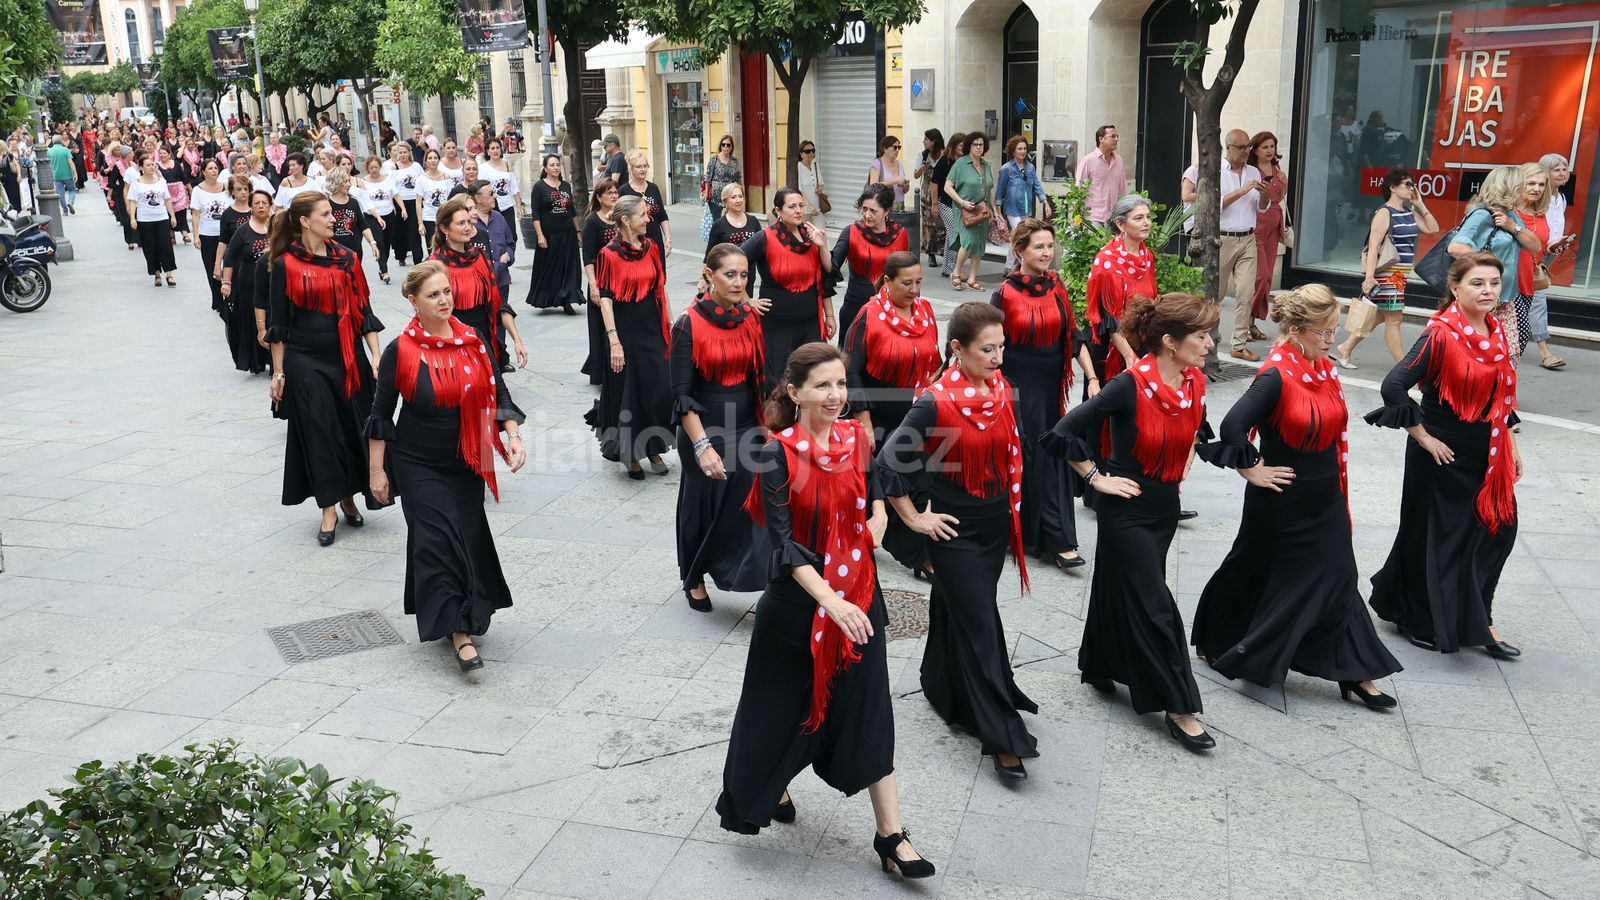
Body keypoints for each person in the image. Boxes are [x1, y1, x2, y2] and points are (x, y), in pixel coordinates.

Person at [716, 342, 935, 882]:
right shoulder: (776, 454)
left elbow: (873, 484)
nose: (836, 395)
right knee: (776, 716)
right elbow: (785, 547)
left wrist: (879, 517)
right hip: (798, 610)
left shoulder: (856, 438)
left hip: (860, 600)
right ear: (795, 392)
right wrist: (830, 601)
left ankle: (891, 835)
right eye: (822, 385)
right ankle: (772, 783)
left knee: (870, 710)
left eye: (840, 384)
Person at [1192, 285, 1402, 706]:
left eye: (1334, 329)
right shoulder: (1275, 375)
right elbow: (1233, 427)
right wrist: (1253, 469)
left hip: (1326, 495)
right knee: (1252, 568)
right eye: (1323, 331)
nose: (1331, 339)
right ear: (1294, 330)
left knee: (1340, 577)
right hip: (1282, 499)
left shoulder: (1323, 368)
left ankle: (1354, 671)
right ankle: (1218, 637)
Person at [1044, 292, 1219, 751]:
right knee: (1155, 603)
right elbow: (1063, 431)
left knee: (1118, 585)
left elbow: (1197, 428)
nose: (1210, 344)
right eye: (1201, 336)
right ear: (1170, 341)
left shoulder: (1193, 382)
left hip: (1163, 510)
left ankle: (1099, 663)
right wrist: (1096, 478)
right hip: (1126, 511)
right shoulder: (1128, 385)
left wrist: (1184, 464)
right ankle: (1179, 705)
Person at [878, 302, 1037, 780]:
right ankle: (1002, 736)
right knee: (981, 624)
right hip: (954, 534)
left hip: (993, 527)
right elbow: (887, 463)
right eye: (987, 349)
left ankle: (943, 686)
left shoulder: (1000, 391)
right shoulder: (934, 403)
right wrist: (915, 519)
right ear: (957, 349)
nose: (998, 358)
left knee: (962, 612)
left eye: (1001, 347)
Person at [367, 261, 527, 673]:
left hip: (466, 458)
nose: (444, 300)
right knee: (438, 540)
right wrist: (377, 471)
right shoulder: (401, 350)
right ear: (413, 301)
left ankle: (466, 608)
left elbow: (498, 390)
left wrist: (512, 435)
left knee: (467, 536)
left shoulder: (473, 340)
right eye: (433, 294)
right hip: (417, 462)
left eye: (446, 291)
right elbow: (381, 413)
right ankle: (459, 632)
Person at [1364, 253, 1523, 659]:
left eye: (1493, 283)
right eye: (1477, 283)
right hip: (1441, 456)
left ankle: (1480, 618)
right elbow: (1393, 387)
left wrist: (1511, 445)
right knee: (1434, 539)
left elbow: (1502, 397)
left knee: (1498, 533)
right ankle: (1417, 618)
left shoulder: (1497, 332)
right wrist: (1423, 438)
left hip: (1487, 455)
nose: (1488, 290)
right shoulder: (1440, 334)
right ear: (1455, 288)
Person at [265, 192, 384, 547]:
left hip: (347, 357)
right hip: (305, 361)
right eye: (325, 214)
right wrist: (278, 373)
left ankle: (348, 496)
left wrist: (376, 356)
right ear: (305, 221)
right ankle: (328, 507)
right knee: (320, 432)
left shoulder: (348, 259)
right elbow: (279, 325)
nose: (334, 219)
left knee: (349, 428)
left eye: (332, 213)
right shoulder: (285, 264)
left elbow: (364, 311)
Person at [993, 219, 1098, 570]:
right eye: (1039, 247)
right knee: (1028, 456)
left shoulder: (1056, 286)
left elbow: (1073, 336)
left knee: (1051, 454)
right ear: (1020, 250)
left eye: (1050, 246)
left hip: (1051, 386)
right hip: (1016, 387)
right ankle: (1036, 536)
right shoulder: (1005, 292)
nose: (1046, 253)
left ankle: (1055, 537)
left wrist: (1092, 377)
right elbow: (990, 344)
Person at [671, 243, 771, 611]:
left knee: (750, 505)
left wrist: (769, 425)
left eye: (744, 275)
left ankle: (745, 571)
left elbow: (760, 377)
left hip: (747, 426)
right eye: (730, 274)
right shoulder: (687, 323)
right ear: (708, 275)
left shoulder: (750, 318)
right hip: (705, 429)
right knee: (703, 506)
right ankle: (694, 575)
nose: (739, 282)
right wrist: (702, 447)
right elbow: (681, 396)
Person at [844, 252, 939, 579]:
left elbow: (932, 362)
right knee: (884, 483)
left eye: (919, 282)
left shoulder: (925, 311)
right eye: (907, 283)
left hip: (913, 412)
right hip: (878, 414)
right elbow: (851, 371)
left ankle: (920, 551)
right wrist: (864, 420)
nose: (914, 290)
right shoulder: (868, 315)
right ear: (887, 281)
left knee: (918, 482)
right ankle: (915, 554)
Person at [586, 194, 674, 479]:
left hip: (652, 328)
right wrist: (614, 341)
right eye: (642, 214)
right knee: (630, 393)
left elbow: (660, 287)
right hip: (624, 331)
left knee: (657, 388)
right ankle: (631, 454)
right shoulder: (608, 255)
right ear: (625, 220)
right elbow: (606, 299)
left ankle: (654, 446)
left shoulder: (651, 247)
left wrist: (669, 321)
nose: (648, 218)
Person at [1335, 169, 1438, 367]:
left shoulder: (1409, 212)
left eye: (1413, 184)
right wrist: (1369, 277)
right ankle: (1405, 367)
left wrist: (1420, 204)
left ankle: (1346, 347)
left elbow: (1432, 228)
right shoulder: (1385, 212)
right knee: (1395, 320)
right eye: (1407, 184)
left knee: (1381, 315)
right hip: (1389, 274)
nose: (1412, 188)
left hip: (1401, 274)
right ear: (1392, 187)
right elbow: (1373, 247)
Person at [1446, 165, 1543, 365]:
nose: (1525, 190)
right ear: (1510, 188)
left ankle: (1499, 383)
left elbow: (1535, 245)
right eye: (1522, 186)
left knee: (1511, 351)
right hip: (1483, 296)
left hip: (1506, 296)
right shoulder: (1482, 214)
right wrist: (1490, 266)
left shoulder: (1510, 215)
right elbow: (1455, 247)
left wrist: (1512, 227)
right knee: (1481, 353)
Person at [1181, 129, 1262, 360]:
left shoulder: (1253, 171)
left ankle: (1239, 344)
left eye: (1248, 147)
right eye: (1241, 147)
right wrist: (1241, 191)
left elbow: (1261, 206)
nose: (1246, 151)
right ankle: (1204, 338)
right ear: (1228, 148)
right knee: (1215, 294)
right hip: (1223, 237)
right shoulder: (1212, 171)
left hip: (1248, 237)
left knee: (1246, 292)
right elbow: (1210, 203)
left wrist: (1266, 195)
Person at [740, 187, 835, 381]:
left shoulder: (811, 235)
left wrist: (830, 315)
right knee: (780, 380)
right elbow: (732, 262)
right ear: (778, 211)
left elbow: (826, 273)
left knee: (813, 378)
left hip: (810, 324)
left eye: (801, 205)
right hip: (777, 326)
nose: (798, 211)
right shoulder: (766, 237)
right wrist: (746, 299)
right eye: (792, 207)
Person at [430, 196, 528, 375]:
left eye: (468, 222)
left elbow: (498, 302)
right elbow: (430, 315)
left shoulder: (480, 256)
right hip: (454, 343)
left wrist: (517, 340)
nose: (467, 227)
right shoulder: (435, 264)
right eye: (461, 223)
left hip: (484, 339)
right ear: (444, 228)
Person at [1085, 195, 1159, 390]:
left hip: (1142, 341)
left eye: (1148, 217)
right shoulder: (1107, 260)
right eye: (1139, 218)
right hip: (1114, 348)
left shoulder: (1147, 257)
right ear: (1120, 224)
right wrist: (1129, 357)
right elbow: (1110, 319)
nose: (1146, 223)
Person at [827, 183, 910, 343]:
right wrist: (822, 245)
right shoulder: (851, 231)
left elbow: (908, 274)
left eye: (873, 211)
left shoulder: (900, 234)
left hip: (889, 310)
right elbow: (831, 264)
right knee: (851, 356)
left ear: (886, 211)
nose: (867, 215)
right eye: (864, 209)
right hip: (855, 309)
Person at [220, 189, 274, 374]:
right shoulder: (243, 231)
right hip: (248, 284)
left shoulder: (277, 227)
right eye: (257, 203)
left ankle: (274, 360)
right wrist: (226, 282)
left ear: (270, 205)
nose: (261, 206)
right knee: (251, 322)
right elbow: (229, 257)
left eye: (264, 203)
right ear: (251, 207)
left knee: (272, 319)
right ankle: (255, 361)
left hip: (273, 284)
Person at [526, 154, 583, 314]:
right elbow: (536, 214)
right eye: (552, 165)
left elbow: (572, 210)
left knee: (568, 267)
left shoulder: (565, 185)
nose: (556, 167)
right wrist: (540, 235)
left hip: (568, 234)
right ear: (545, 168)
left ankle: (567, 300)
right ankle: (546, 298)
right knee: (549, 268)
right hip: (549, 235)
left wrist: (578, 231)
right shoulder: (539, 187)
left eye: (557, 164)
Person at [1534, 154, 1576, 370]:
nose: (1562, 173)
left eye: (1564, 169)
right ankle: (1544, 351)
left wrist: (1560, 242)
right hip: (1532, 253)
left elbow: (1554, 227)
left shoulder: (1561, 198)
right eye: (1556, 169)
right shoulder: (1538, 198)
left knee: (1518, 297)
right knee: (1538, 298)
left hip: (1548, 254)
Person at [580, 179, 623, 386]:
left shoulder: (621, 218)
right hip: (601, 280)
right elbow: (587, 256)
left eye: (615, 192)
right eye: (609, 193)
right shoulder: (592, 222)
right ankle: (602, 371)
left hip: (620, 280)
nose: (613, 196)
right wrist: (593, 285)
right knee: (601, 328)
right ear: (599, 197)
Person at [1247, 132, 1288, 333]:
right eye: (1265, 147)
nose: (1270, 150)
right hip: (1256, 227)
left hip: (1274, 227)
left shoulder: (1276, 168)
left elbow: (1278, 197)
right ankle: (1246, 321)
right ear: (1255, 150)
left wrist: (1284, 182)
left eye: (1272, 146)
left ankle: (1251, 321)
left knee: (1268, 278)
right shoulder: (1251, 171)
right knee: (1260, 277)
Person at [944, 132, 994, 292]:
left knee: (979, 243)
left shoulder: (986, 165)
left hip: (982, 210)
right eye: (975, 145)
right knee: (968, 241)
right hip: (964, 210)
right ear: (969, 147)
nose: (979, 147)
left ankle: (972, 279)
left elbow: (989, 189)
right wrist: (962, 202)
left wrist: (994, 209)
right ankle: (956, 271)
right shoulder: (960, 164)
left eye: (981, 145)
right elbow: (947, 187)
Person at [996, 136, 1050, 273]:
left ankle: (1008, 266)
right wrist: (998, 210)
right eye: (1019, 149)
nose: (1022, 151)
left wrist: (1045, 201)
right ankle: (1026, 265)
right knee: (1023, 236)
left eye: (1024, 148)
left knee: (1017, 237)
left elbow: (1036, 185)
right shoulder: (1006, 169)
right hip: (1012, 209)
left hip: (1026, 209)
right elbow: (1000, 190)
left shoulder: (1030, 168)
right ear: (1013, 151)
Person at [127, 152, 179, 287]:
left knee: (165, 245)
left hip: (161, 217)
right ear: (141, 168)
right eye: (148, 165)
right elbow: (133, 201)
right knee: (150, 247)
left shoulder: (161, 182)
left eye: (153, 164)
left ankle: (169, 273)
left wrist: (172, 216)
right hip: (145, 219)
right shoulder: (136, 184)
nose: (151, 167)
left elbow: (167, 199)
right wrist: (132, 218)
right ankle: (156, 273)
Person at [189, 158, 232, 314]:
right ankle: (217, 299)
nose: (214, 171)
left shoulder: (226, 188)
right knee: (212, 267)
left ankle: (230, 295)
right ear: (203, 172)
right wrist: (196, 236)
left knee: (229, 264)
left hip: (227, 234)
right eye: (210, 168)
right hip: (208, 234)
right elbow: (195, 214)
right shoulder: (198, 190)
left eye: (216, 168)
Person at [469, 178, 516, 305]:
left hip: (501, 279)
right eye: (490, 193)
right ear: (478, 198)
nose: (494, 196)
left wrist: (507, 257)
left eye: (494, 192)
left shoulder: (499, 217)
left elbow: (510, 243)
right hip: (479, 281)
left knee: (502, 312)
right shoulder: (469, 222)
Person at [618, 150, 672, 256]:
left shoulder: (653, 188)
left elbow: (663, 216)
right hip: (635, 242)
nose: (643, 169)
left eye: (645, 166)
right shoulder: (624, 190)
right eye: (638, 166)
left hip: (655, 240)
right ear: (631, 168)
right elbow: (621, 221)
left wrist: (668, 239)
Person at [358, 155, 398, 285]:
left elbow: (395, 194)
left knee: (386, 243)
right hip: (371, 216)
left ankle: (382, 266)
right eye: (371, 168)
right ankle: (384, 270)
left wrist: (402, 208)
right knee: (379, 242)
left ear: (380, 167)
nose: (374, 170)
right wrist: (377, 216)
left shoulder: (387, 179)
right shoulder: (363, 182)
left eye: (376, 167)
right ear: (367, 168)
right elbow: (365, 202)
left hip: (388, 214)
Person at [1075, 125, 1127, 225]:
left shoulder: (1119, 161)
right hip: (1093, 218)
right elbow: (1079, 190)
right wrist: (1077, 220)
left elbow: (1122, 190)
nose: (1116, 139)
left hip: (1114, 218)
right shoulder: (1088, 161)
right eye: (1112, 136)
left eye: (1117, 136)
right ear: (1101, 139)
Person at [324, 167, 379, 261]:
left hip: (355, 252)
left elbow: (363, 226)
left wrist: (373, 243)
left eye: (349, 181)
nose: (349, 184)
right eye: (345, 181)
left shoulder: (354, 202)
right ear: (336, 182)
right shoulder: (326, 204)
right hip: (334, 253)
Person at [384, 142, 425, 264]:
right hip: (399, 202)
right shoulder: (394, 167)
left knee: (414, 230)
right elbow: (390, 187)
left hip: (414, 202)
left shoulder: (416, 166)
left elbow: (423, 180)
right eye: (400, 152)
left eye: (405, 152)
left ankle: (418, 260)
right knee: (400, 230)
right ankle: (401, 255)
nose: (402, 155)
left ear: (409, 153)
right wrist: (392, 204)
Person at [480, 137, 523, 242]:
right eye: (492, 148)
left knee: (511, 236)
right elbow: (480, 190)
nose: (495, 151)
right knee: (496, 237)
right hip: (492, 208)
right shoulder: (483, 168)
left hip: (507, 206)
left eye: (497, 148)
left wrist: (518, 207)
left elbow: (514, 187)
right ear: (487, 151)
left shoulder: (507, 164)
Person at [704, 184, 762, 260]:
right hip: (728, 266)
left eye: (740, 196)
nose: (738, 200)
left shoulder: (753, 221)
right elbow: (709, 255)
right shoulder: (719, 225)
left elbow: (761, 248)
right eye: (733, 197)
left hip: (750, 267)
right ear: (725, 201)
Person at [916, 129, 946, 268]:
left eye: (926, 139)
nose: (923, 142)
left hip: (943, 192)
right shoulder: (923, 155)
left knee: (944, 223)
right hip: (926, 195)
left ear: (933, 141)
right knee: (929, 224)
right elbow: (916, 175)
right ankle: (931, 254)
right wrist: (922, 168)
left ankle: (944, 251)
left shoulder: (945, 155)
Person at [416, 148, 455, 251]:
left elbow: (451, 199)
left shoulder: (446, 177)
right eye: (430, 158)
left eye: (435, 158)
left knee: (446, 248)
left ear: (439, 160)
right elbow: (418, 202)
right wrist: (420, 223)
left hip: (444, 217)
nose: (433, 160)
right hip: (429, 217)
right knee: (432, 249)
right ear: (425, 161)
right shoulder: (421, 179)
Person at [104, 142, 138, 250]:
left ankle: (138, 239)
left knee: (137, 215)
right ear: (128, 154)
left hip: (135, 192)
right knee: (127, 217)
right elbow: (112, 181)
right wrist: (109, 195)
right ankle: (130, 241)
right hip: (122, 193)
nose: (133, 154)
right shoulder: (117, 166)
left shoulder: (133, 164)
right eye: (132, 152)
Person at [157, 145, 193, 244]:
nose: (162, 155)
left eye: (164, 153)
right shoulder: (156, 166)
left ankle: (185, 234)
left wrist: (190, 189)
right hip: (166, 193)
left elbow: (183, 177)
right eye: (160, 153)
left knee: (181, 213)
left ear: (169, 154)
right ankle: (171, 235)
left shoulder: (176, 164)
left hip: (179, 192)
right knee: (168, 214)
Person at [704, 134, 741, 222]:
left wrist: (741, 193)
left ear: (731, 147)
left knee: (729, 221)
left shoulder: (734, 161)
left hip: (729, 197)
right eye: (723, 144)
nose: (725, 147)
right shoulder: (714, 159)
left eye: (728, 145)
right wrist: (706, 192)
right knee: (717, 222)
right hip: (715, 198)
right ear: (720, 146)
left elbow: (738, 178)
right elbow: (708, 176)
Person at [867, 135, 908, 209]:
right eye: (895, 147)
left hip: (900, 207)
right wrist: (894, 180)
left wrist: (905, 186)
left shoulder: (899, 164)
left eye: (899, 147)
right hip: (883, 207)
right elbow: (872, 187)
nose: (897, 150)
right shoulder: (877, 163)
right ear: (885, 149)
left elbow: (904, 191)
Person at [795, 138, 828, 230]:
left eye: (813, 150)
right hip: (803, 209)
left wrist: (820, 188)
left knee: (821, 232)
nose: (811, 153)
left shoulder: (815, 165)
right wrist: (809, 206)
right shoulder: (798, 167)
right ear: (801, 154)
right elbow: (799, 190)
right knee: (806, 234)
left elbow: (821, 183)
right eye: (807, 151)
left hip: (817, 208)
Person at [47, 135, 77, 214]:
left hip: (56, 175)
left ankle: (65, 210)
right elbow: (70, 162)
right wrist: (75, 173)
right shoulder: (65, 150)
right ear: (61, 141)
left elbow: (48, 164)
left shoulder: (50, 151)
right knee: (72, 190)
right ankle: (70, 202)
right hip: (67, 174)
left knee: (60, 193)